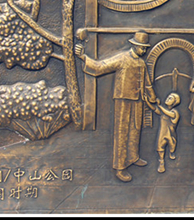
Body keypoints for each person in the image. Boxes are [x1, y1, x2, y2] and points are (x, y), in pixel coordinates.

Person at [75, 30, 157, 182]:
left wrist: (152, 96)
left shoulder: (141, 63)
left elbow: (147, 83)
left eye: (145, 48)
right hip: (123, 99)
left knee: (135, 129)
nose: (144, 50)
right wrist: (83, 57)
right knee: (122, 132)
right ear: (135, 45)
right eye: (142, 47)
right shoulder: (122, 58)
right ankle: (120, 167)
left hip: (138, 100)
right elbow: (100, 67)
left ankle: (133, 157)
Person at [150, 92, 181, 173]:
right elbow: (154, 109)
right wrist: (147, 102)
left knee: (172, 146)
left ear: (174, 102)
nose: (167, 99)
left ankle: (172, 152)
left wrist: (159, 105)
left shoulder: (175, 112)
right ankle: (161, 162)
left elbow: (169, 114)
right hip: (162, 134)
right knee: (160, 147)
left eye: (170, 98)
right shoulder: (163, 112)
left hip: (171, 134)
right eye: (168, 97)